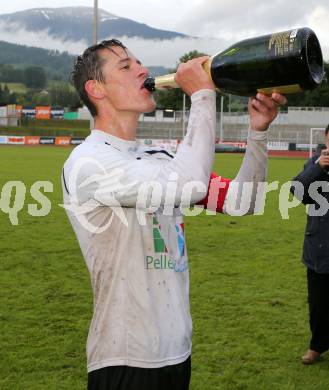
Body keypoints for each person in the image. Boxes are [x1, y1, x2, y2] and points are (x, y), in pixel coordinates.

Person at [62, 39, 286, 390]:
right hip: (126, 357)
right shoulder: (89, 162)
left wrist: (258, 132)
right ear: (96, 89)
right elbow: (190, 184)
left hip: (177, 352)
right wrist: (202, 95)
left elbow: (243, 201)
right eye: (125, 66)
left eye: (140, 62)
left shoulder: (158, 157)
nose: (143, 70)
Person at [291, 124, 329, 365]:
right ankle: (317, 346)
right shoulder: (315, 164)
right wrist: (317, 169)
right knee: (318, 306)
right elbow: (297, 191)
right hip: (319, 249)